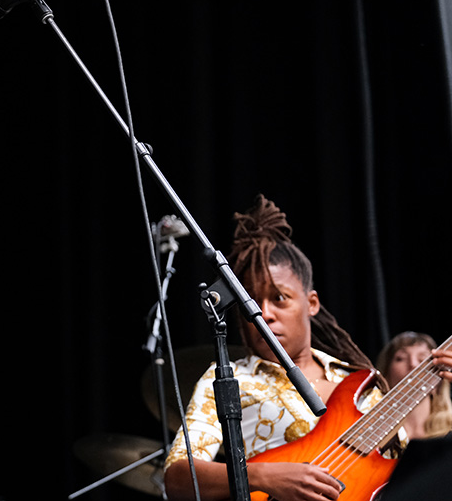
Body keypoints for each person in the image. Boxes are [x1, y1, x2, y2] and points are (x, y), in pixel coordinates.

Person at [162, 195, 452, 501]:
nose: (264, 312)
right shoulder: (229, 379)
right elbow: (177, 479)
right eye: (250, 303)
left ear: (311, 303)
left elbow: (415, 480)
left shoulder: (360, 381)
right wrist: (261, 476)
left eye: (279, 298)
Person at [376, 331, 452, 440]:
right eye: (400, 358)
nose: (413, 364)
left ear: (438, 381)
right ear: (385, 377)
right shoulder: (368, 439)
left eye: (423, 359)